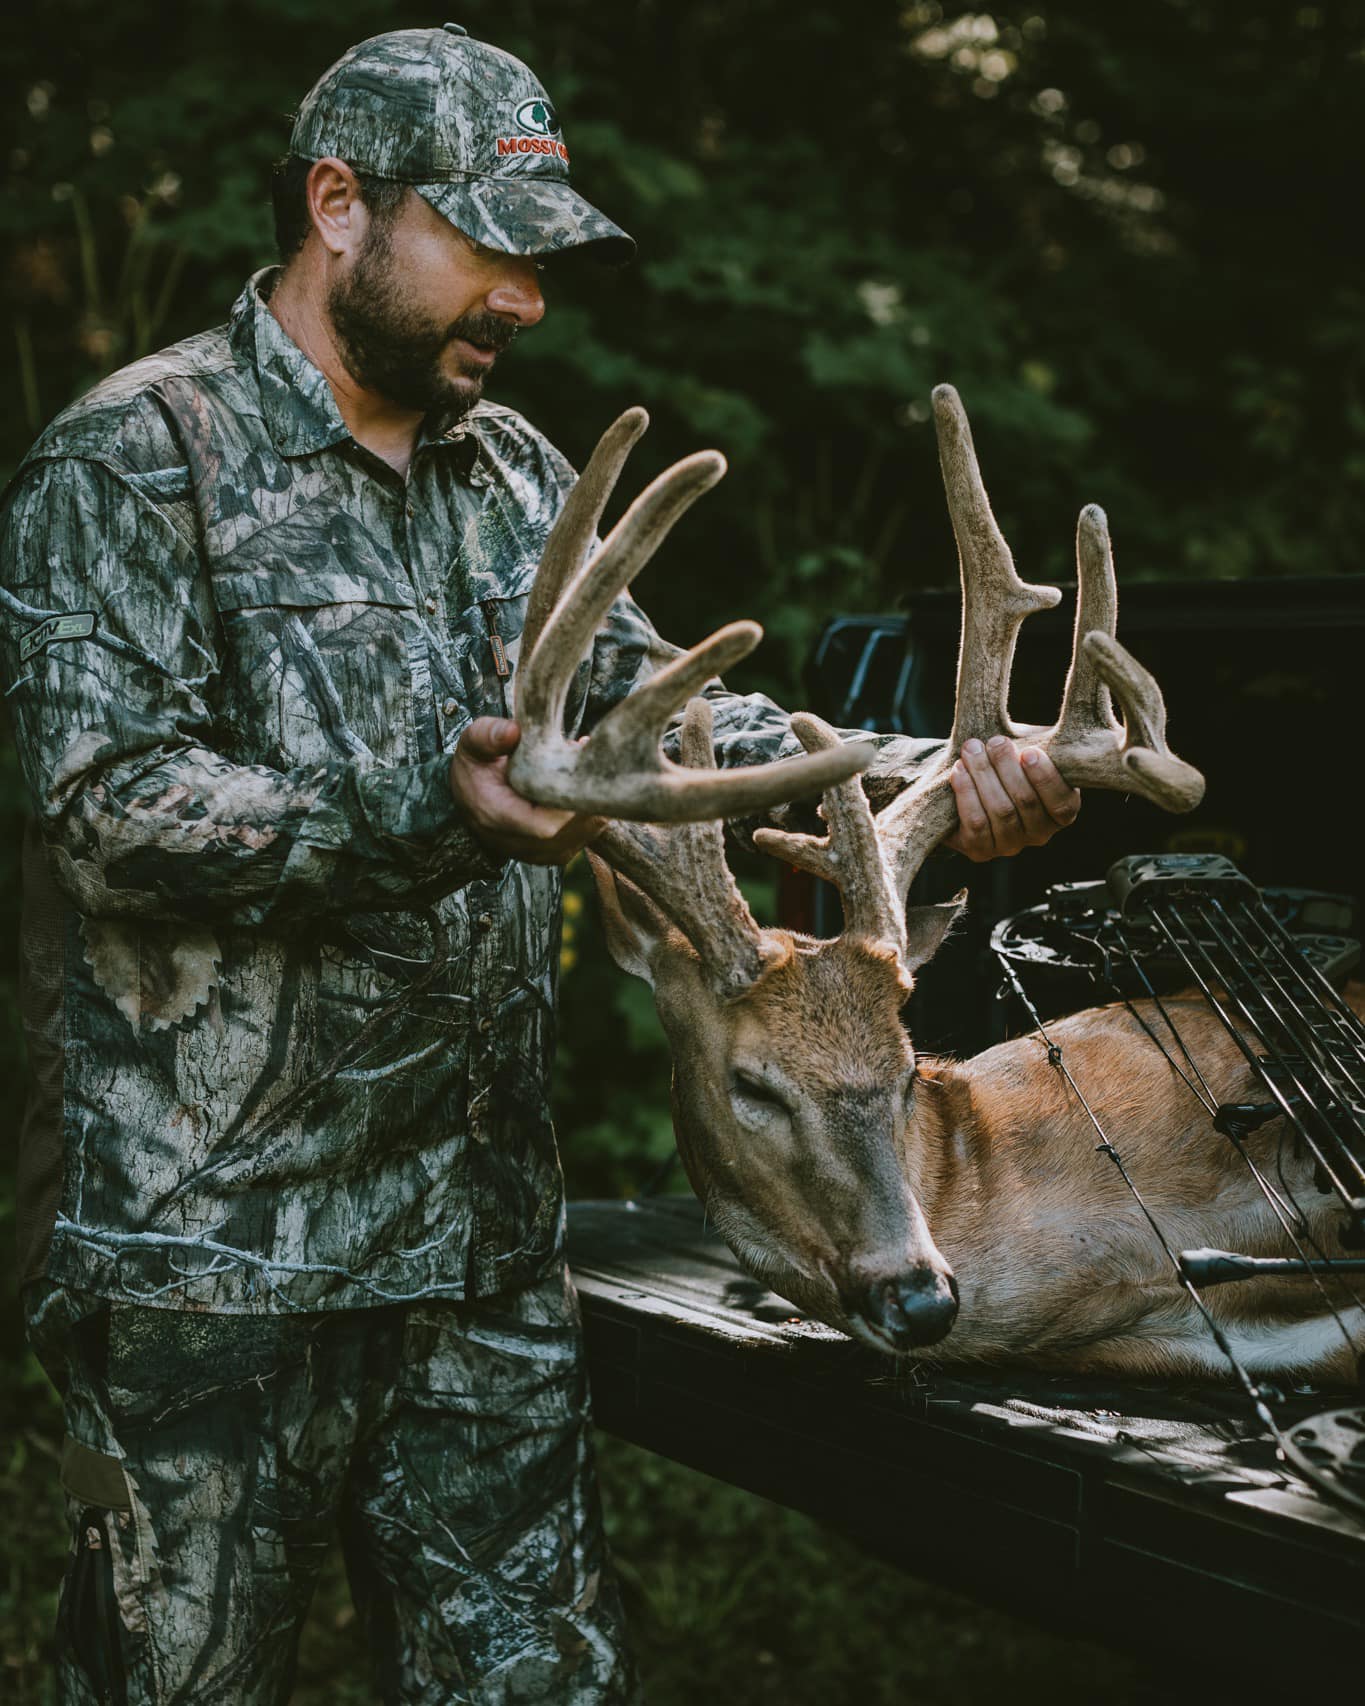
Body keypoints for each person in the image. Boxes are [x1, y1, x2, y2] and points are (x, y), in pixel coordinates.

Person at [0, 23, 1080, 1704]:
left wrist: (940, 774)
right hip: (220, 1280)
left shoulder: (511, 482)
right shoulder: (135, 463)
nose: (526, 300)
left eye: (540, 262)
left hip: (482, 1258)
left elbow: (670, 729)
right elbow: (110, 807)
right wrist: (428, 815)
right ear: (339, 204)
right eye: (489, 251)